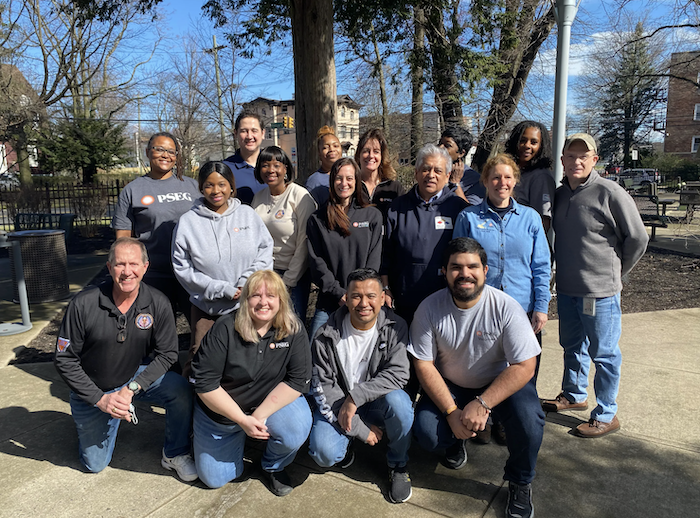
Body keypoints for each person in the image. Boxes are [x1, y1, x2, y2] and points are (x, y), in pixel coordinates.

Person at [410, 238, 544, 518]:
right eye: (456, 267)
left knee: (529, 421)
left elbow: (525, 366)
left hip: (497, 385)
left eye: (473, 266)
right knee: (427, 433)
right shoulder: (429, 308)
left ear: (485, 270)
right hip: (452, 386)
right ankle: (458, 438)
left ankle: (520, 481)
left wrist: (482, 403)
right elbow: (424, 364)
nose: (465, 273)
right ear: (444, 271)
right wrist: (451, 412)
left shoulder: (506, 307)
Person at [54, 237, 197, 481]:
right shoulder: (83, 304)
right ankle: (100, 417)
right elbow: (65, 360)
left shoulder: (158, 303)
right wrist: (100, 400)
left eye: (133, 264)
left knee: (180, 389)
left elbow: (168, 354)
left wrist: (132, 388)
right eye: (120, 265)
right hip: (93, 389)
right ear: (109, 268)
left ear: (145, 267)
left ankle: (174, 453)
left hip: (130, 378)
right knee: (95, 464)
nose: (127, 272)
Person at [542, 133, 648, 438]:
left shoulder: (610, 192)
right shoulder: (561, 195)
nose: (576, 161)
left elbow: (638, 238)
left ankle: (606, 413)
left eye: (582, 156)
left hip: (600, 293)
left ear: (594, 160)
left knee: (604, 354)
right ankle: (574, 395)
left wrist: (618, 271)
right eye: (570, 156)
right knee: (572, 346)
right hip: (567, 289)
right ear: (562, 160)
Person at [191, 270, 312, 496]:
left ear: (281, 300)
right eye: (256, 295)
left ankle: (272, 465)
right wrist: (241, 420)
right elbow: (205, 384)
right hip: (222, 415)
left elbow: (298, 380)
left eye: (271, 296)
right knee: (214, 478)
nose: (263, 302)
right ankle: (221, 437)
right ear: (245, 299)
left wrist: (257, 417)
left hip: (266, 405)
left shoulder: (292, 329)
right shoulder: (225, 328)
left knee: (296, 428)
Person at [308, 268, 414, 504]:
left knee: (400, 404)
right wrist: (359, 428)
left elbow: (398, 374)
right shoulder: (325, 335)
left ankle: (398, 464)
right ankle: (348, 444)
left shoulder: (396, 326)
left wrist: (355, 398)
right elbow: (323, 389)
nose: (363, 303)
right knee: (323, 454)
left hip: (374, 403)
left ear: (382, 297)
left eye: (371, 296)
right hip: (339, 404)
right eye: (356, 296)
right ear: (346, 297)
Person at [172, 161, 274, 378]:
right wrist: (219, 289)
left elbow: (264, 250)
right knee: (199, 360)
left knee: (246, 359)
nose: (216, 191)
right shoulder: (188, 222)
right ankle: (195, 406)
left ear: (231, 187)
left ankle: (243, 405)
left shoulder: (247, 215)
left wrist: (246, 283)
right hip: (207, 307)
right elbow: (182, 267)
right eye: (209, 185)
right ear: (201, 188)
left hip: (246, 304)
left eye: (222, 184)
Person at [453, 154, 550, 365]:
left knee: (523, 373)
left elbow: (541, 267)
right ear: (485, 180)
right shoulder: (468, 218)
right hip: (482, 309)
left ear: (515, 180)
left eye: (507, 177)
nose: (502, 183)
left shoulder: (530, 218)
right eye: (496, 177)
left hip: (524, 309)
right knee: (484, 371)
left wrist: (541, 307)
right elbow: (458, 267)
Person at [112, 131, 200, 317]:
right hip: (153, 273)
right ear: (147, 152)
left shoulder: (193, 187)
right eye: (159, 149)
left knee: (198, 330)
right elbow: (123, 239)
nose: (165, 155)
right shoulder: (133, 190)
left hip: (191, 270)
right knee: (155, 330)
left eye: (171, 151)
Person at [381, 143, 468, 322]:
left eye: (437, 170)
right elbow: (385, 254)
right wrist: (385, 287)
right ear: (416, 173)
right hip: (403, 301)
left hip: (447, 302)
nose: (431, 175)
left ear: (448, 175)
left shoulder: (459, 209)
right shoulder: (397, 208)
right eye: (426, 169)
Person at [306, 157, 383, 339]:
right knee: (315, 354)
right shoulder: (317, 219)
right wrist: (340, 294)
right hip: (329, 302)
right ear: (332, 182)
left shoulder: (372, 216)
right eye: (338, 178)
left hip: (364, 304)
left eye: (349, 178)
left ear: (356, 181)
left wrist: (356, 295)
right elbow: (317, 263)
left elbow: (374, 260)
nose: (344, 183)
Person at [252, 146, 317, 320]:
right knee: (266, 324)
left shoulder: (300, 196)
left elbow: (305, 242)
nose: (271, 170)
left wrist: (288, 280)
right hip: (265, 273)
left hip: (294, 274)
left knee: (291, 325)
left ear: (286, 168)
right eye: (265, 165)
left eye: (276, 165)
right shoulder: (258, 198)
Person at [504, 121, 556, 232]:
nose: (527, 146)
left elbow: (543, 223)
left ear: (541, 146)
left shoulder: (541, 177)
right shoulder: (508, 171)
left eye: (534, 142)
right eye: (522, 140)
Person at [355, 128, 405, 219]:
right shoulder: (351, 186)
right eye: (366, 151)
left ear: (382, 156)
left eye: (376, 151)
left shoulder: (394, 188)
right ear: (359, 155)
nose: (371, 156)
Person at [223, 110, 266, 204]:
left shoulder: (274, 166)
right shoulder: (225, 169)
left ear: (263, 134)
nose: (249, 136)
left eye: (254, 131)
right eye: (244, 131)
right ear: (235, 134)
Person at [439, 126, 485, 205]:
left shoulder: (475, 180)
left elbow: (471, 213)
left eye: (447, 145)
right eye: (440, 143)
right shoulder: (432, 172)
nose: (440, 147)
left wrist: (455, 184)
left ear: (461, 153)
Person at [306, 126, 342, 207]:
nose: (332, 149)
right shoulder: (314, 181)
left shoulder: (351, 175)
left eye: (335, 146)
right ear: (319, 153)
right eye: (325, 147)